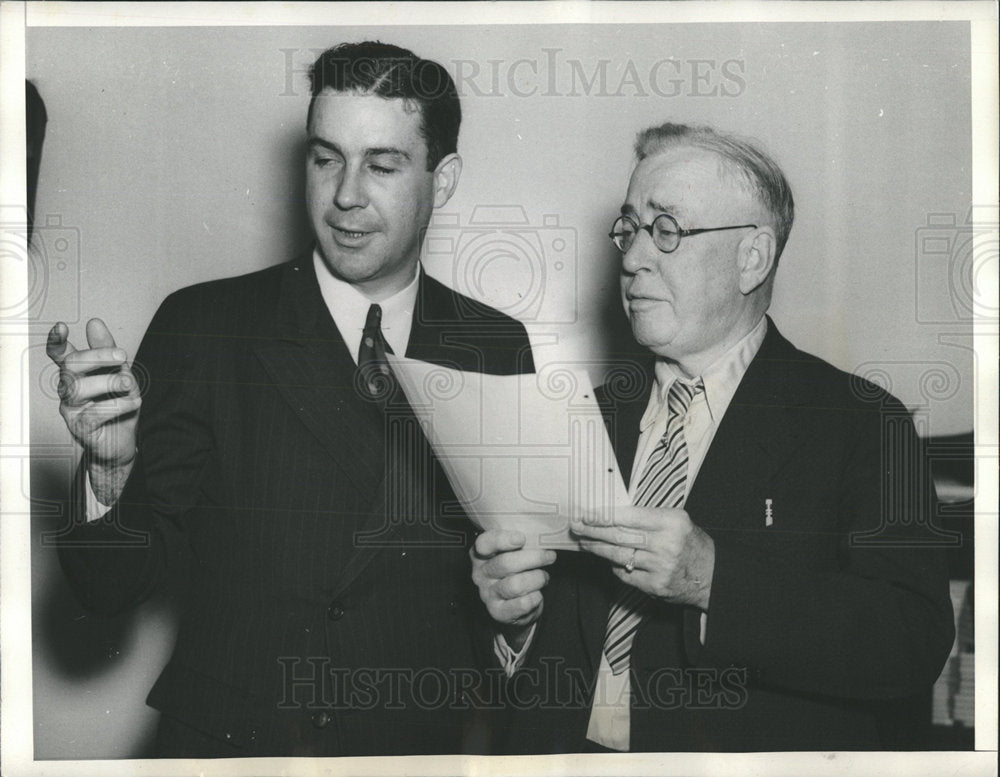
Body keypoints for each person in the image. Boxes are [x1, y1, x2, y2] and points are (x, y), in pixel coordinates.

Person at [46, 41, 534, 758]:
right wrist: (110, 474)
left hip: (408, 748)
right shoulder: (205, 326)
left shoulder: (494, 345)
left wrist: (514, 622)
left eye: (383, 164)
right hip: (230, 747)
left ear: (445, 176)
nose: (345, 194)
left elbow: (500, 594)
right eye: (325, 157)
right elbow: (110, 587)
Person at [471, 122, 954, 752]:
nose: (633, 256)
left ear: (752, 256)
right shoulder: (578, 415)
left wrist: (713, 581)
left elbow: (909, 643)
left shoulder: (863, 423)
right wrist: (514, 623)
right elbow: (547, 654)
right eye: (630, 227)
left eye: (666, 229)